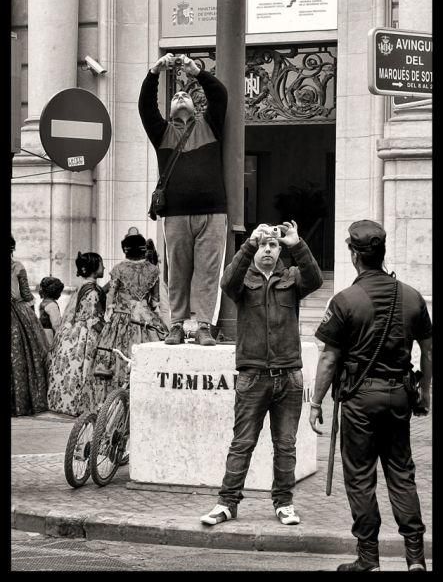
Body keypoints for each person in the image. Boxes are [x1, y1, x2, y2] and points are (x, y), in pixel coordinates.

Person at [308, 220, 432, 572]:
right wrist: (425, 392)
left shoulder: (345, 300)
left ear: (353, 255)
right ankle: (415, 558)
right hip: (399, 395)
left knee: (361, 476)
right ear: (382, 253)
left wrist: (316, 403)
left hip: (361, 399)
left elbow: (330, 357)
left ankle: (368, 559)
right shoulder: (411, 295)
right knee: (401, 473)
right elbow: (428, 349)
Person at [200, 220, 323, 526]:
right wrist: (248, 244)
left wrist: (297, 244)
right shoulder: (244, 279)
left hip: (289, 375)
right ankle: (227, 503)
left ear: (280, 249)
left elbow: (316, 278)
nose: (268, 249)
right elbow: (226, 283)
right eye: (263, 245)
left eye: (273, 245)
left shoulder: (291, 277)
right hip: (252, 375)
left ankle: (284, 503)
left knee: (286, 445)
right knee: (242, 443)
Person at [138, 52, 228, 346]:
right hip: (175, 214)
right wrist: (154, 73)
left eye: (184, 94)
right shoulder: (162, 131)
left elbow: (219, 94)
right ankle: (176, 324)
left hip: (213, 212)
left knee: (208, 271)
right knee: (177, 272)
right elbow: (145, 107)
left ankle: (203, 326)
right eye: (174, 95)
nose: (179, 95)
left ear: (194, 104)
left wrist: (195, 72)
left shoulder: (210, 125)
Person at [93, 231, 168, 389]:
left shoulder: (119, 269)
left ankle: (116, 395)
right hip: (146, 317)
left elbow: (111, 296)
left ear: (125, 250)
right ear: (143, 250)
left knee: (114, 353)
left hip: (122, 316)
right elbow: (155, 301)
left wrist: (109, 312)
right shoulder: (153, 270)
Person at [47, 252, 106, 416]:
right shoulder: (93, 290)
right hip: (86, 333)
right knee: (86, 368)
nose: (104, 267)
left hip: (73, 330)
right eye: (101, 265)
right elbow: (94, 318)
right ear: (94, 268)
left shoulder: (81, 286)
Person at [11, 235, 50, 416]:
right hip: (17, 313)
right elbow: (26, 294)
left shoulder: (18, 267)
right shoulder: (17, 266)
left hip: (16, 313)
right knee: (23, 357)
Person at [38, 276, 64, 345]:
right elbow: (56, 324)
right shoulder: (52, 305)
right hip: (49, 335)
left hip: (42, 333)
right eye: (59, 292)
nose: (60, 295)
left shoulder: (44, 302)